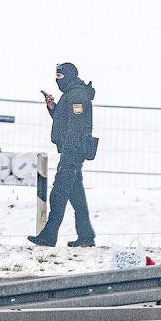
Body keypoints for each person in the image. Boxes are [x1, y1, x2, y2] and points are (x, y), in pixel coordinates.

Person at [28, 63, 98, 247]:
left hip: (72, 153)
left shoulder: (76, 95)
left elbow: (75, 127)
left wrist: (68, 154)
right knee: (76, 197)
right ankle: (86, 236)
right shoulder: (71, 94)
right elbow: (65, 122)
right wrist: (53, 107)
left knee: (58, 194)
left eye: (59, 76)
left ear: (68, 76)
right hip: (71, 151)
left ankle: (49, 236)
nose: (57, 80)